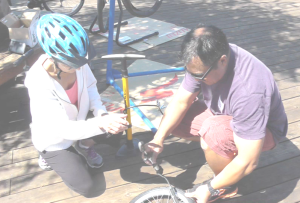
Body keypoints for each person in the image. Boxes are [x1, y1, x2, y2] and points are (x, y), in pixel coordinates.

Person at [142, 24, 288, 203]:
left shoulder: (249, 89)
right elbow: (180, 101)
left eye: (200, 76)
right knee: (172, 117)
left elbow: (249, 161)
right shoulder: (201, 60)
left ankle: (226, 186)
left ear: (223, 60)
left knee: (213, 132)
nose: (196, 80)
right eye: (191, 73)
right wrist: (158, 139)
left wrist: (211, 187)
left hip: (265, 131)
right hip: (223, 114)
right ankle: (223, 151)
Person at [25, 14, 129, 198]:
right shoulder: (37, 81)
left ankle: (84, 144)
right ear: (53, 57)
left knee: (118, 125)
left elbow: (90, 87)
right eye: (73, 64)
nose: (80, 67)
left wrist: (101, 114)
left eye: (83, 61)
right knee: (89, 188)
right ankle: (46, 153)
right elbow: (64, 130)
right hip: (54, 138)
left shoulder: (77, 61)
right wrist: (100, 124)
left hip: (79, 123)